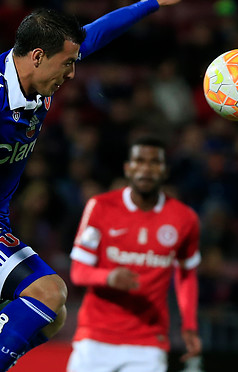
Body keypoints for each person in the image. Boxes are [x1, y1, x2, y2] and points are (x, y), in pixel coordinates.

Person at [0, 0, 198, 371]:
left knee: (52, 316)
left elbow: (96, 33)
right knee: (50, 293)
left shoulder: (46, 63)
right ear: (37, 56)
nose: (72, 73)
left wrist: (152, 2)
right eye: (67, 64)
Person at [67, 136, 202, 372]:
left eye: (154, 163)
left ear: (165, 171)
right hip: (95, 338)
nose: (146, 169)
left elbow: (186, 273)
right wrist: (108, 278)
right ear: (128, 168)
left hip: (148, 342)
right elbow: (78, 272)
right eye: (139, 161)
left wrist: (189, 324)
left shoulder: (184, 218)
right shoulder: (100, 207)